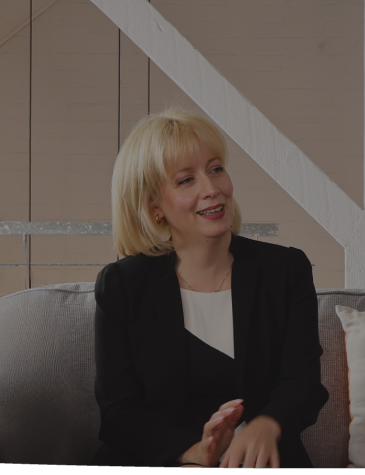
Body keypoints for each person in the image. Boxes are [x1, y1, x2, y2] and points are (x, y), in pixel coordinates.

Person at [92, 110, 328, 467]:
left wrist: (268, 424)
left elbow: (303, 384)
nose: (212, 188)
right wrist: (193, 454)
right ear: (154, 206)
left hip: (258, 460)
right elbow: (119, 413)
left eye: (216, 169)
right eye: (187, 180)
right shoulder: (122, 285)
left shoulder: (286, 270)